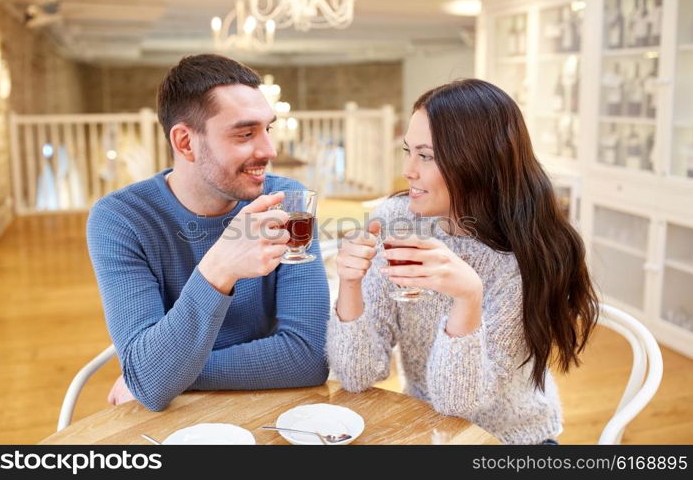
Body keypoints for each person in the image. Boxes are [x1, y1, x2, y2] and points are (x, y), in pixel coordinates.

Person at [327, 79, 598, 444]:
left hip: (512, 441)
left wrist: (468, 296)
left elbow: (459, 402)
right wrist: (349, 285)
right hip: (429, 432)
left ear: (475, 161)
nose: (408, 170)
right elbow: (356, 374)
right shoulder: (396, 220)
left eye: (426, 156)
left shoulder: (524, 254)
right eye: (408, 151)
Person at [87, 54, 329, 411]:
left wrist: (163, 373)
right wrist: (220, 268)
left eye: (268, 129)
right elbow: (152, 385)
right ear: (185, 142)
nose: (269, 150)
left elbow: (309, 357)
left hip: (273, 409)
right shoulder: (122, 219)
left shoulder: (286, 201)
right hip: (177, 421)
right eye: (245, 134)